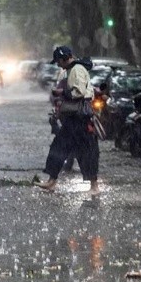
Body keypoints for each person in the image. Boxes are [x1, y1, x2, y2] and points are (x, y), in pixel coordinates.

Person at [36, 46, 100, 194]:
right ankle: (51, 181)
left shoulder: (77, 69)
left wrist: (61, 92)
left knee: (87, 150)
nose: (58, 64)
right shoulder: (71, 70)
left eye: (58, 61)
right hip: (72, 119)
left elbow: (79, 92)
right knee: (59, 147)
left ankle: (94, 186)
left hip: (80, 118)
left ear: (64, 58)